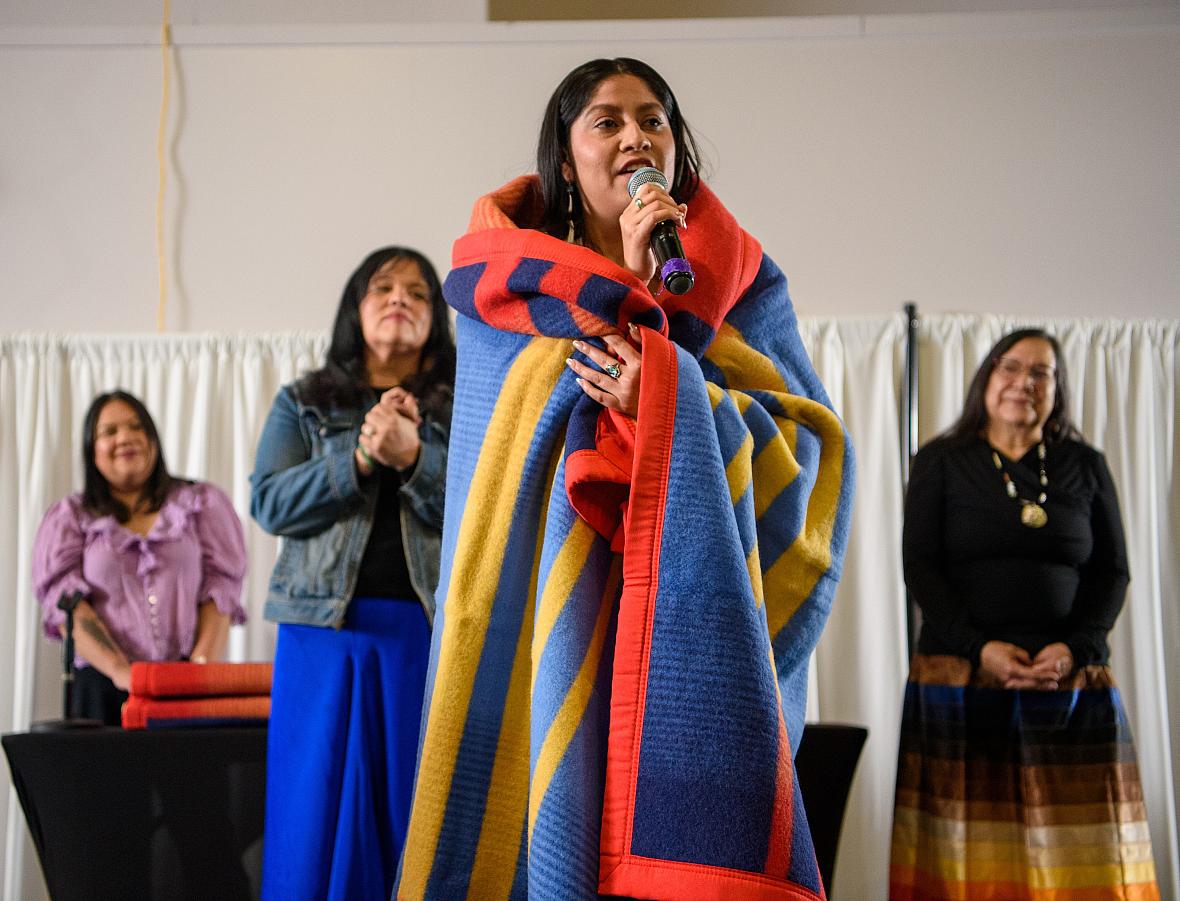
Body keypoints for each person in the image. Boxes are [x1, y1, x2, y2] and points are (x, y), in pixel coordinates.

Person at [398, 58, 854, 901]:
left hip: (684, 622)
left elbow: (814, 456)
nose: (635, 137)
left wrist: (669, 392)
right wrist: (631, 297)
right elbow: (492, 477)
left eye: (653, 119)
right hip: (549, 621)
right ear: (566, 161)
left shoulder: (740, 283)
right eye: (606, 121)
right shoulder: (508, 291)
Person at [889, 329, 1159, 900]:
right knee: (964, 858)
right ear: (987, 376)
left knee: (1085, 858)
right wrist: (980, 649)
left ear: (1058, 389)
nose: (1024, 383)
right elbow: (920, 568)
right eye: (1010, 367)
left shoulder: (1086, 465)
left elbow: (1113, 573)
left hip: (1069, 683)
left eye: (1040, 372)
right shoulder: (940, 461)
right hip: (960, 679)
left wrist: (1075, 649)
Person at [251, 246, 454, 901]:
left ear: (436, 317)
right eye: (383, 287)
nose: (400, 300)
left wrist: (416, 456)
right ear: (355, 308)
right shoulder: (303, 400)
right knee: (310, 813)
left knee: (413, 813)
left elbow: (490, 512)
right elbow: (270, 502)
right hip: (319, 631)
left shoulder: (469, 402)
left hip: (427, 633)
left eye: (418, 293)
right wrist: (360, 459)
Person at [31, 390, 247, 726]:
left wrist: (199, 669)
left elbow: (221, 589)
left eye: (136, 427)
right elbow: (66, 605)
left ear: (153, 439)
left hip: (184, 684)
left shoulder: (201, 503)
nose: (125, 438)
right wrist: (122, 672)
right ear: (91, 448)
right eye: (110, 431)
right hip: (103, 687)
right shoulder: (69, 517)